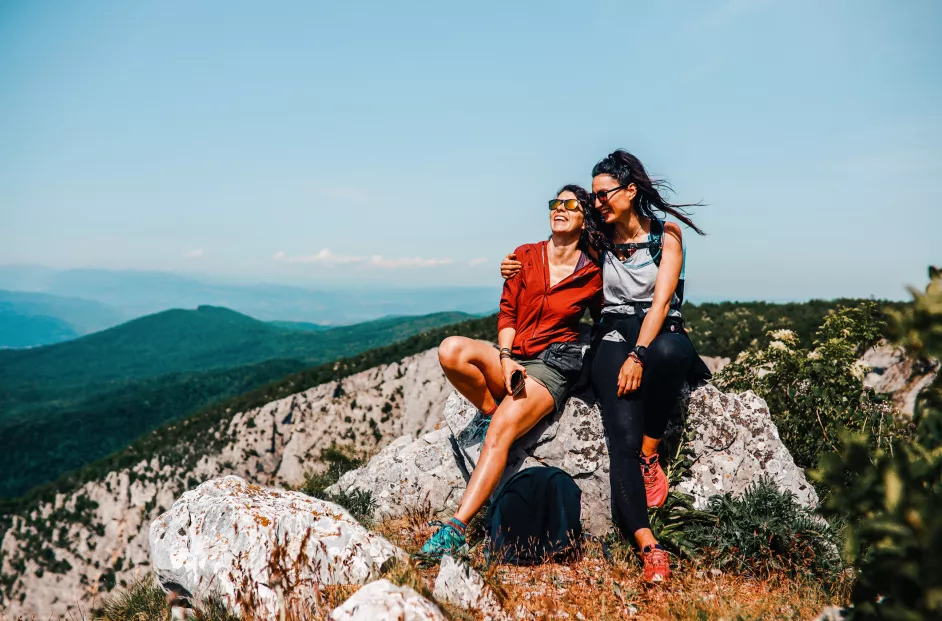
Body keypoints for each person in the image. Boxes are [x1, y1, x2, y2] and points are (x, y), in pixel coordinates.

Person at [500, 150, 710, 583]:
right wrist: (516, 264)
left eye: (603, 194)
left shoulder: (666, 235)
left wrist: (640, 354)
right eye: (593, 196)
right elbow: (558, 250)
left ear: (630, 191)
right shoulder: (599, 235)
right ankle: (649, 545)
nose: (597, 203)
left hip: (660, 326)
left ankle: (652, 452)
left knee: (670, 354)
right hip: (612, 332)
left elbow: (662, 302)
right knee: (620, 440)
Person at [419, 185, 603, 561]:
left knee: (503, 431)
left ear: (585, 217)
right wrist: (504, 357)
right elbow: (508, 313)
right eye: (556, 203)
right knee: (450, 349)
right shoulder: (524, 256)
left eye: (570, 205)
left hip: (551, 366)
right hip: (513, 356)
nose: (560, 209)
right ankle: (491, 413)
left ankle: (456, 528)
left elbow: (605, 319)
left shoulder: (593, 271)